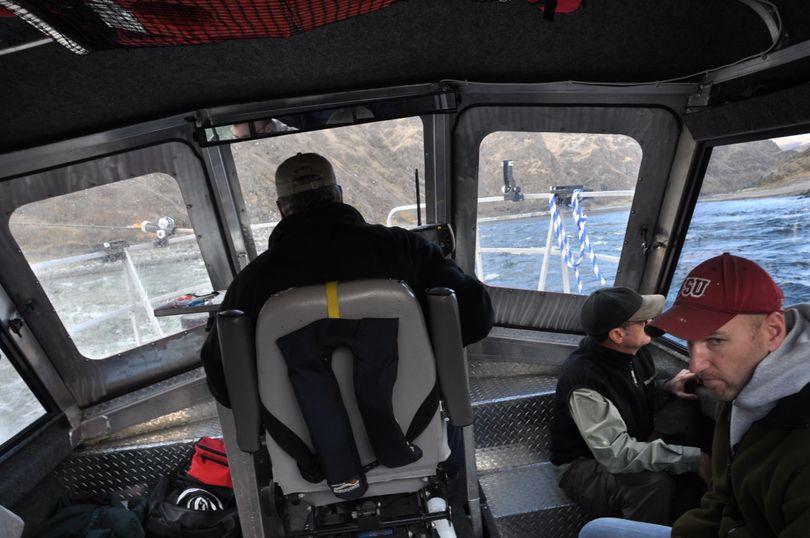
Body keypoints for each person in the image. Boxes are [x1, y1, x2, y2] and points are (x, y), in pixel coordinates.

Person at [201, 151, 494, 408]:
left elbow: (225, 385)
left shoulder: (251, 283)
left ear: (281, 208)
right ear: (339, 194)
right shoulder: (405, 248)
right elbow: (476, 316)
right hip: (415, 430)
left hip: (307, 453)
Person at [579, 253, 810, 537]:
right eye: (691, 343)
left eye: (715, 340)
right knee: (597, 531)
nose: (695, 366)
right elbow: (724, 499)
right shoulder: (741, 388)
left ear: (774, 331)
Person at [550, 287, 710, 525]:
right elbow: (616, 454)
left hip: (631, 440)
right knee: (653, 485)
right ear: (617, 335)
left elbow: (629, 390)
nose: (653, 322)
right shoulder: (584, 379)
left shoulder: (636, 352)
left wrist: (665, 388)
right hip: (582, 463)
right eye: (644, 320)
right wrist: (693, 460)